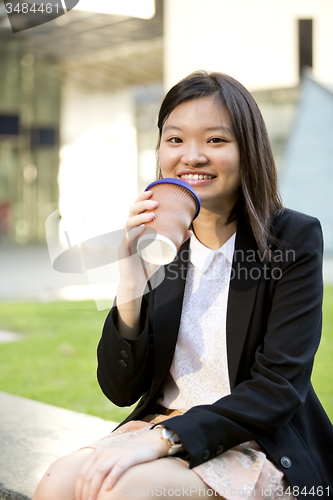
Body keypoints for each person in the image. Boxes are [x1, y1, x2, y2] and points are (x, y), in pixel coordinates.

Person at [33, 71, 333, 500]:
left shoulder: (291, 240)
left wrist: (160, 439)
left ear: (248, 150)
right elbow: (120, 390)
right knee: (59, 480)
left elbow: (277, 389)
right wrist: (131, 279)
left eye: (215, 140)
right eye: (174, 140)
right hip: (159, 428)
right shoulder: (164, 239)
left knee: (126, 491)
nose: (191, 156)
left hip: (253, 441)